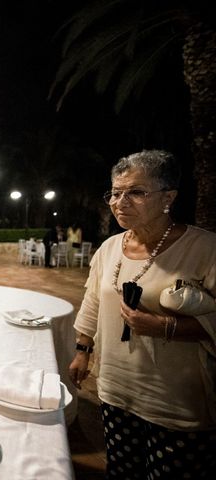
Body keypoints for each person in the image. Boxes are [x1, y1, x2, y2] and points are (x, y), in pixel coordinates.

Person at [68, 150, 216, 478]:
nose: (121, 202)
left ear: (168, 198)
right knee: (122, 470)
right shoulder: (110, 248)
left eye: (136, 192)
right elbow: (93, 300)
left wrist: (166, 326)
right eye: (115, 193)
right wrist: (82, 350)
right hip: (116, 388)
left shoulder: (205, 249)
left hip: (176, 401)